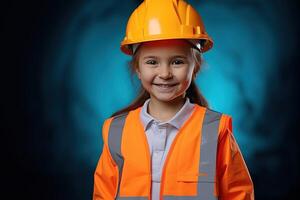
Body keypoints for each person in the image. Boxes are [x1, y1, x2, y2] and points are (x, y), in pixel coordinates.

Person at [93, 0, 254, 199]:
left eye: (177, 62)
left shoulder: (215, 130)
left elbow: (238, 195)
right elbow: (103, 194)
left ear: (195, 67)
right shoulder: (116, 131)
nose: (165, 73)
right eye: (152, 62)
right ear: (137, 68)